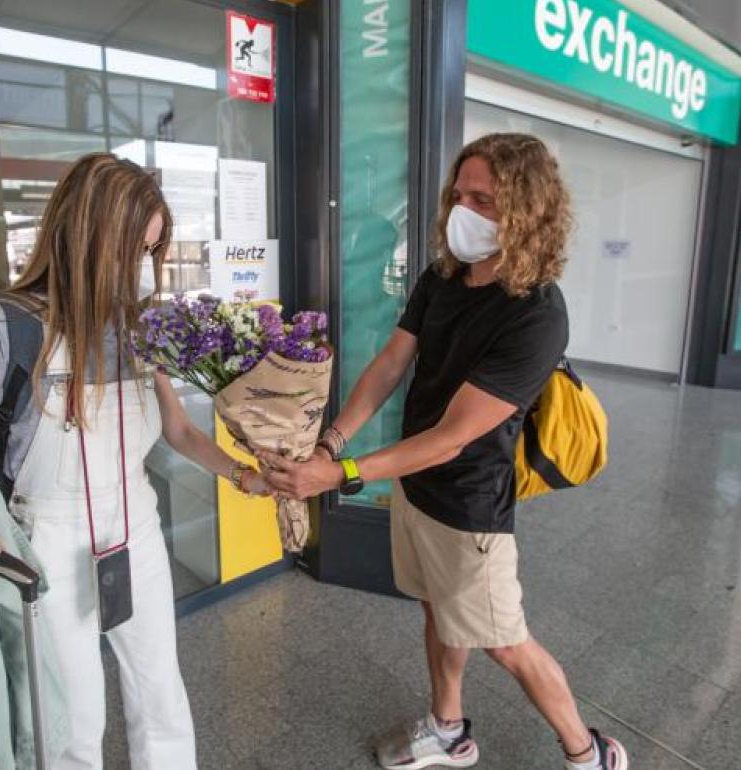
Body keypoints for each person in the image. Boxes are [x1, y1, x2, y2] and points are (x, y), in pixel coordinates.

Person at [260, 134, 628, 770]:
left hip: (469, 503)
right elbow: (389, 364)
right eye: (459, 195)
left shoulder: (536, 316)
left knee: (504, 641)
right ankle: (449, 729)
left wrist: (338, 474)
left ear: (526, 209)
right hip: (415, 486)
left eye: (482, 200)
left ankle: (589, 751)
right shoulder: (443, 277)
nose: (463, 210)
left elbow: (453, 436)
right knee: (437, 610)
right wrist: (334, 440)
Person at [0, 153, 270, 770]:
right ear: (88, 235)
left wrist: (243, 474)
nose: (141, 269)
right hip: (46, 535)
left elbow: (176, 429)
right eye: (133, 249)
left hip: (136, 527)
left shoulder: (140, 326)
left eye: (150, 252)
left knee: (162, 695)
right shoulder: (10, 325)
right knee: (73, 717)